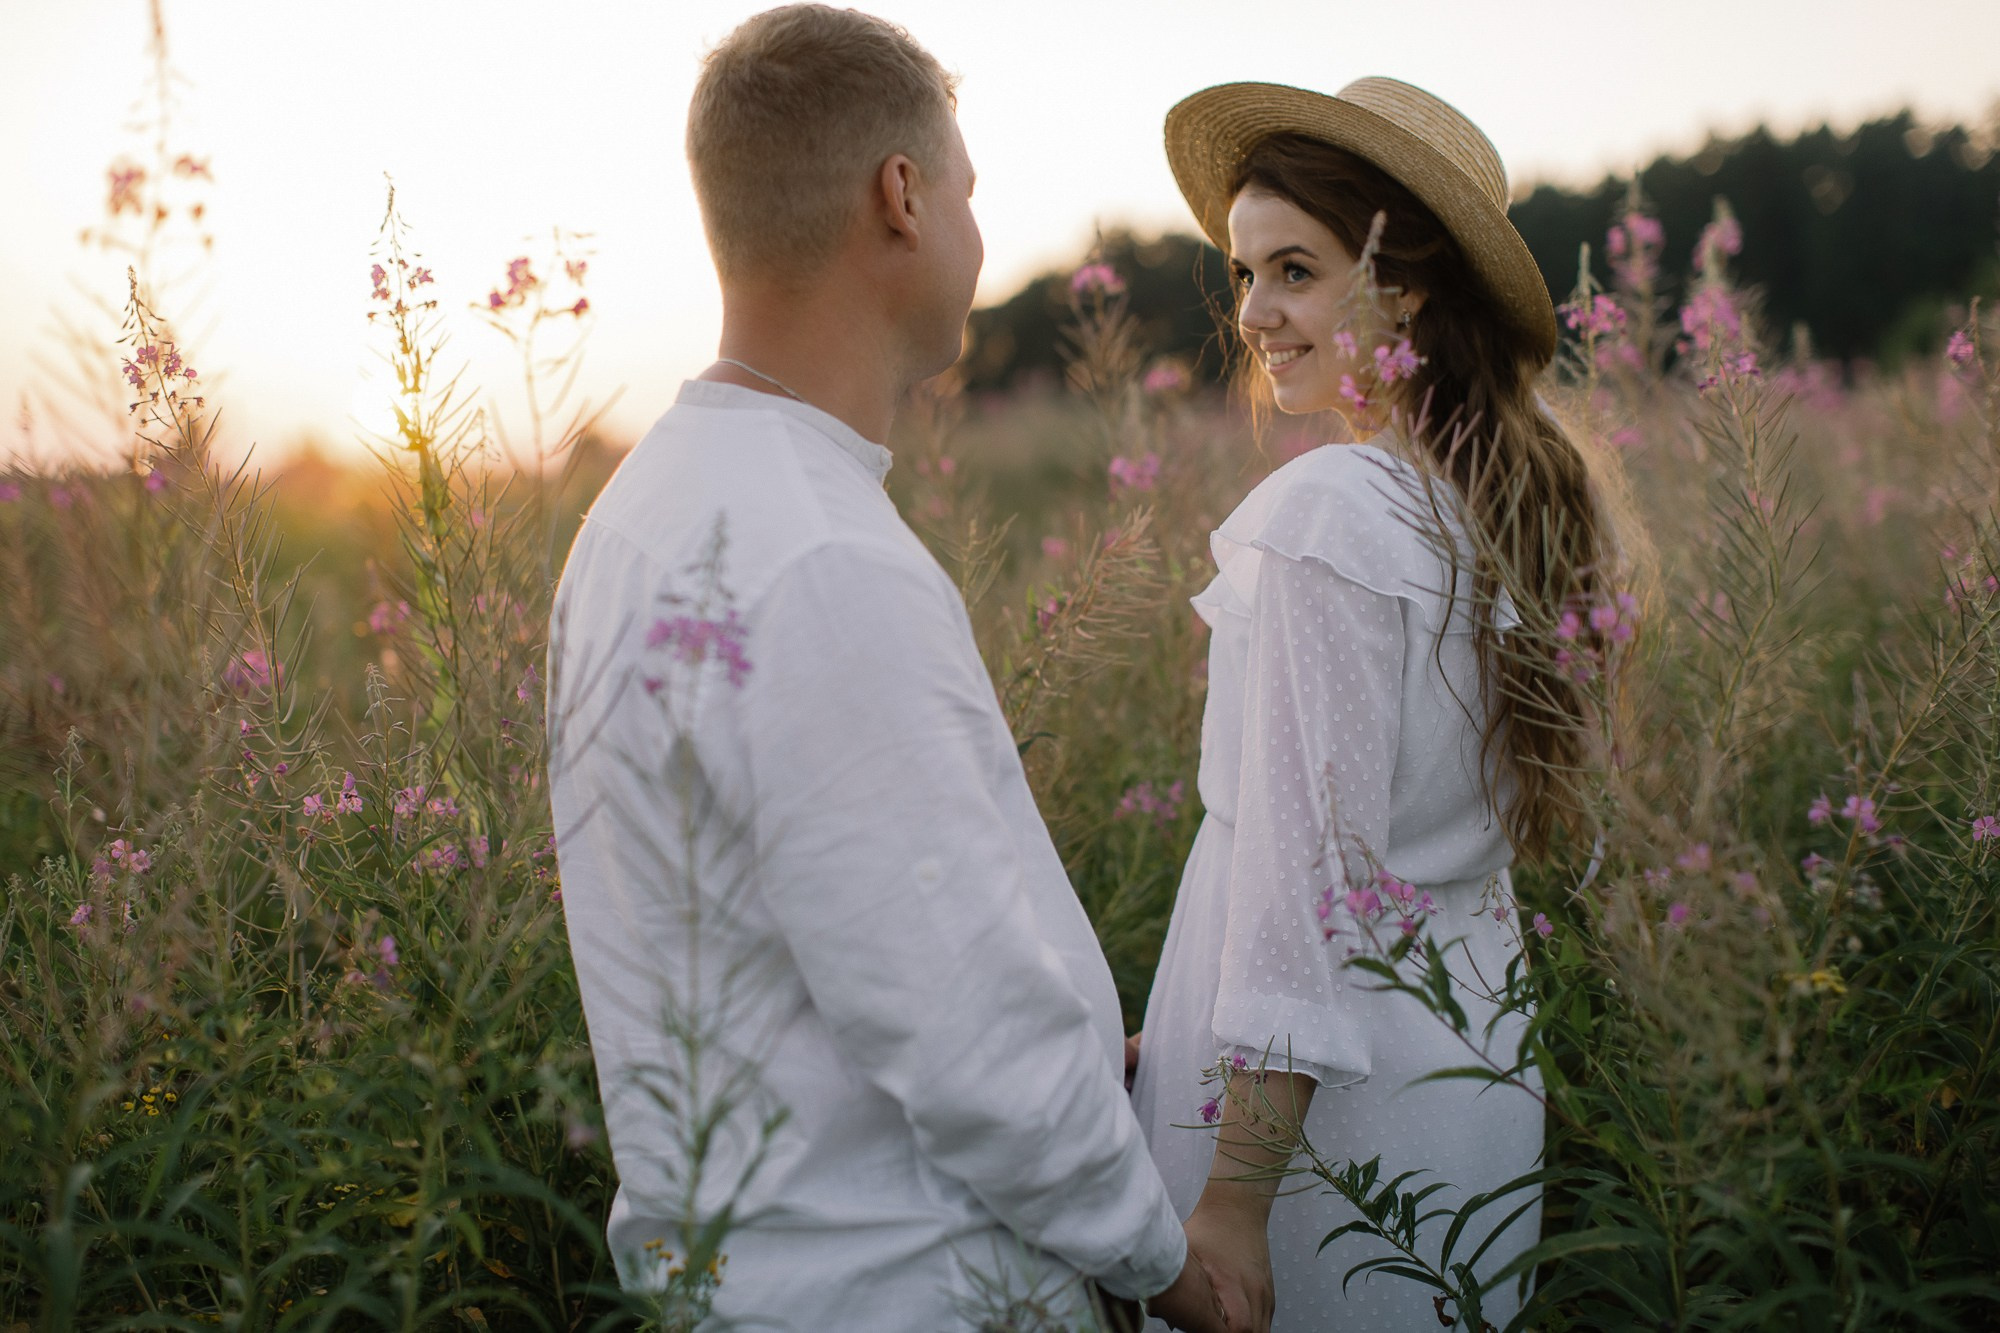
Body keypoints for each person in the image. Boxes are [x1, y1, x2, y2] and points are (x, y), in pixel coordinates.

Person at [548, 7, 1234, 1330]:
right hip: (914, 1288)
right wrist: (1160, 1256)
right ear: (903, 197)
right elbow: (964, 1029)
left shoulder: (645, 509)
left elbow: (809, 936)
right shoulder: (817, 557)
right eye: (970, 189)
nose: (981, 234)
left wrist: (1098, 1055)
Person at [1130, 77, 1619, 1332]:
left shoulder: (1337, 514)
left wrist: (1234, 1200)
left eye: (1292, 270)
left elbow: (1308, 889)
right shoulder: (1481, 506)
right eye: (1240, 274)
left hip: (1325, 1159)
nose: (1253, 312)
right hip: (1455, 1087)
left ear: (1400, 285)